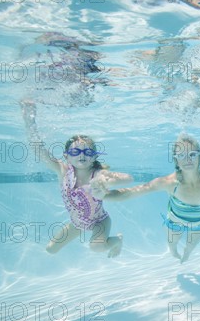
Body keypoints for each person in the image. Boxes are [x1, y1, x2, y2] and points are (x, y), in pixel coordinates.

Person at [21, 100, 132, 257]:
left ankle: (117, 241)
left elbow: (127, 178)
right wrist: (29, 121)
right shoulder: (63, 170)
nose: (81, 155)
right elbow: (38, 149)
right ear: (66, 156)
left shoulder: (98, 173)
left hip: (100, 221)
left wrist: (109, 181)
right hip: (77, 224)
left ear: (94, 157)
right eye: (76, 152)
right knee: (50, 249)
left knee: (96, 247)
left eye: (87, 152)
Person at [100, 133, 200, 263]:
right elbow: (130, 193)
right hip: (175, 222)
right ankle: (173, 251)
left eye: (192, 154)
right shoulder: (169, 182)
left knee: (191, 246)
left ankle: (187, 253)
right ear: (176, 159)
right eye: (181, 155)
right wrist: (104, 195)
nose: (187, 159)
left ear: (199, 156)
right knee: (172, 243)